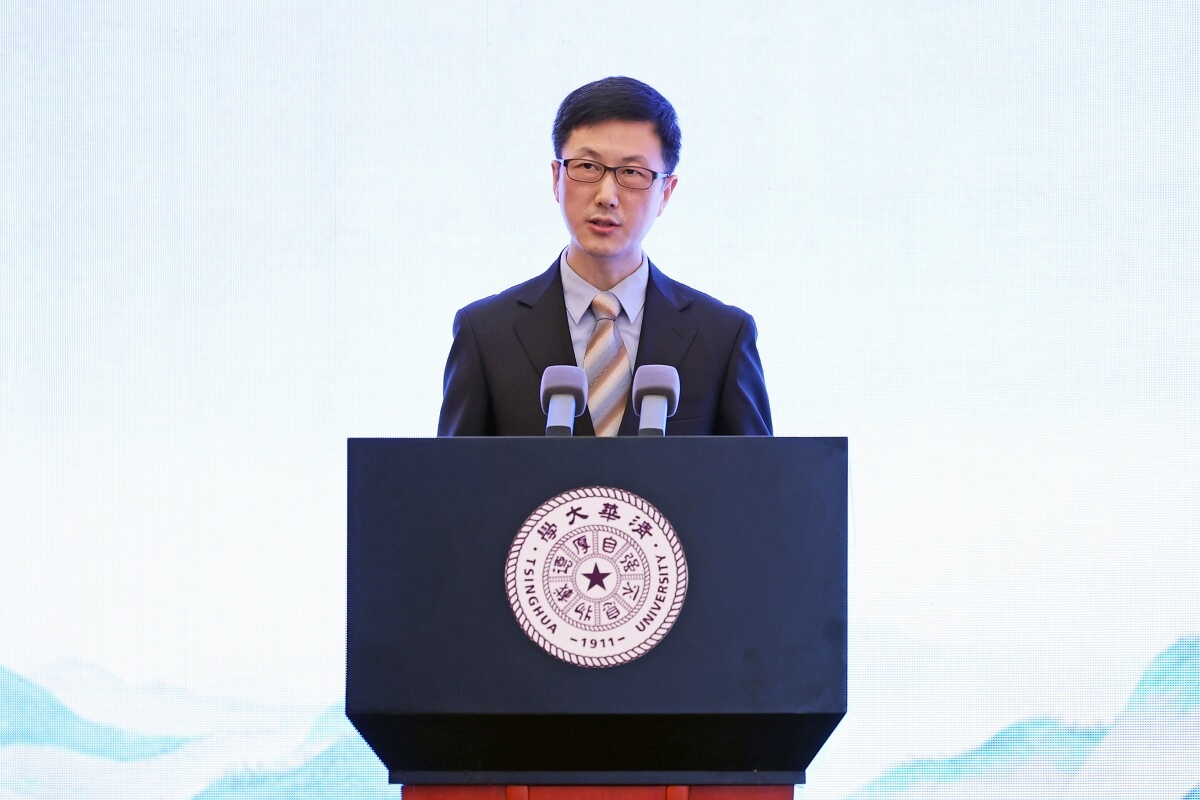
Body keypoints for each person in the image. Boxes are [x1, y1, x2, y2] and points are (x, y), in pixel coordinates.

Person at [437, 76, 772, 436]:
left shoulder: (723, 337)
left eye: (631, 172)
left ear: (666, 192)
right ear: (556, 178)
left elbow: (754, 471)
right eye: (587, 167)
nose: (606, 196)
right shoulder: (485, 333)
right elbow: (454, 472)